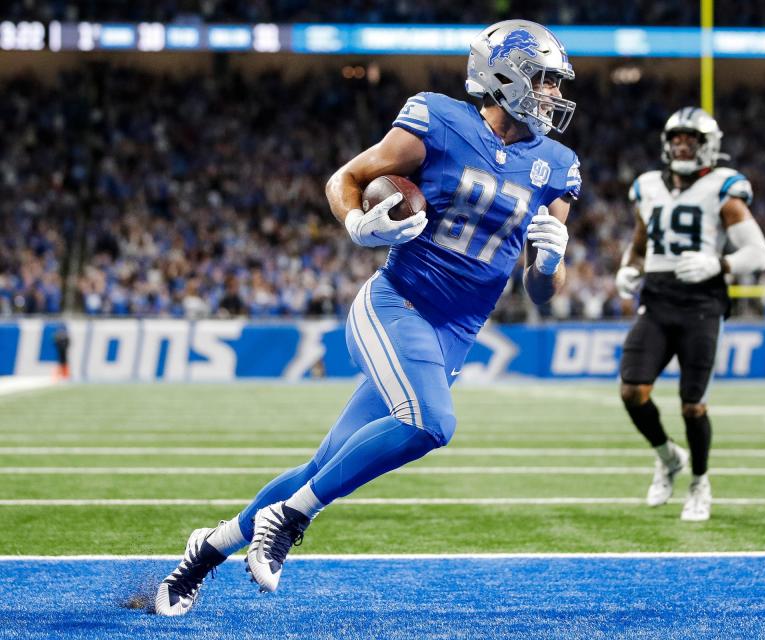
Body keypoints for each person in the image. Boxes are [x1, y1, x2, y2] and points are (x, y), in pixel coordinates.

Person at [155, 19, 581, 616]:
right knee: (431, 423)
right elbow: (347, 179)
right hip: (397, 302)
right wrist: (358, 223)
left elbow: (542, 291)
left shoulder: (557, 164)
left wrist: (552, 260)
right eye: (544, 81)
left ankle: (204, 552)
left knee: (324, 463)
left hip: (456, 334)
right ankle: (293, 515)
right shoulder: (439, 119)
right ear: (503, 75)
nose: (554, 96)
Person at [614, 108, 765, 522]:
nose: (683, 146)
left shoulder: (724, 187)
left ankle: (700, 482)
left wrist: (718, 264)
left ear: (708, 146)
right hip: (659, 296)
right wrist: (629, 267)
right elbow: (641, 240)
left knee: (692, 405)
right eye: (677, 139)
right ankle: (668, 457)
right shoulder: (647, 185)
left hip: (702, 302)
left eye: (692, 140)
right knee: (632, 389)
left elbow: (759, 253)